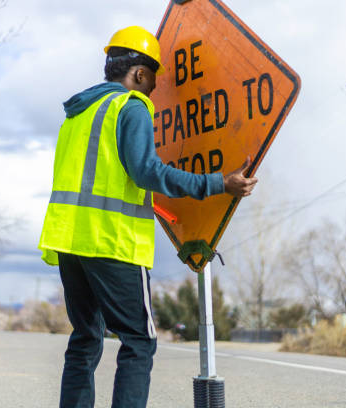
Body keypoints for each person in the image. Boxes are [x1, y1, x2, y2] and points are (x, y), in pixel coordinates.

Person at [38, 26, 257, 408]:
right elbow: (147, 172)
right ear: (139, 74)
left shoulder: (79, 113)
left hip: (67, 242)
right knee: (139, 341)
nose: (156, 87)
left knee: (85, 339)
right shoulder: (130, 106)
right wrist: (217, 183)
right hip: (112, 242)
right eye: (153, 77)